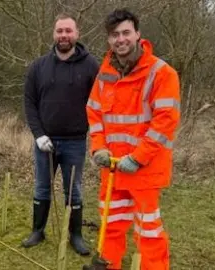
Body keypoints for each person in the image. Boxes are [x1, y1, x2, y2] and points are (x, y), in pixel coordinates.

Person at [83, 8, 180, 270]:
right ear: (108, 40)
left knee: (147, 232)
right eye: (115, 35)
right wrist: (98, 148)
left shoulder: (162, 73)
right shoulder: (105, 73)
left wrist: (138, 158)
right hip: (113, 168)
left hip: (145, 170)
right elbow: (94, 113)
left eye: (126, 32)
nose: (120, 39)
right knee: (109, 225)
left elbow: (165, 122)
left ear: (138, 34)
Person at [22, 13, 100, 256]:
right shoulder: (38, 67)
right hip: (45, 141)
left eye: (68, 31)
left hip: (75, 142)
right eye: (59, 31)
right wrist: (38, 134)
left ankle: (75, 235)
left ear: (77, 34)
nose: (64, 35)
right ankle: (38, 230)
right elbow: (29, 102)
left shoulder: (91, 66)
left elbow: (98, 103)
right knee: (42, 187)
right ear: (53, 34)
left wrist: (90, 131)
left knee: (74, 190)